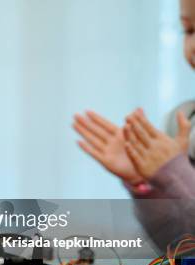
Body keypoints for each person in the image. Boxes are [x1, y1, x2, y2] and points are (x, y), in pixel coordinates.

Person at [73, 0, 195, 249]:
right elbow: (177, 247)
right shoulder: (182, 119)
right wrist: (150, 187)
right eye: (189, 30)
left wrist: (175, 175)